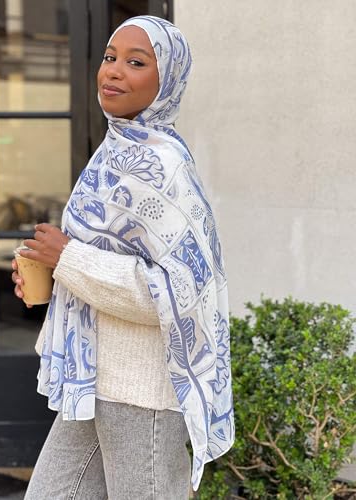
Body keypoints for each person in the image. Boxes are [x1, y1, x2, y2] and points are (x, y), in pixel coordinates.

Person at [12, 15, 234, 500]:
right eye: (110, 57)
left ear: (167, 80)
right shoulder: (114, 151)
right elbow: (98, 258)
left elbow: (175, 292)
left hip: (142, 391)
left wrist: (68, 259)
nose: (113, 70)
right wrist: (52, 275)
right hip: (91, 378)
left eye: (136, 62)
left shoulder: (164, 167)